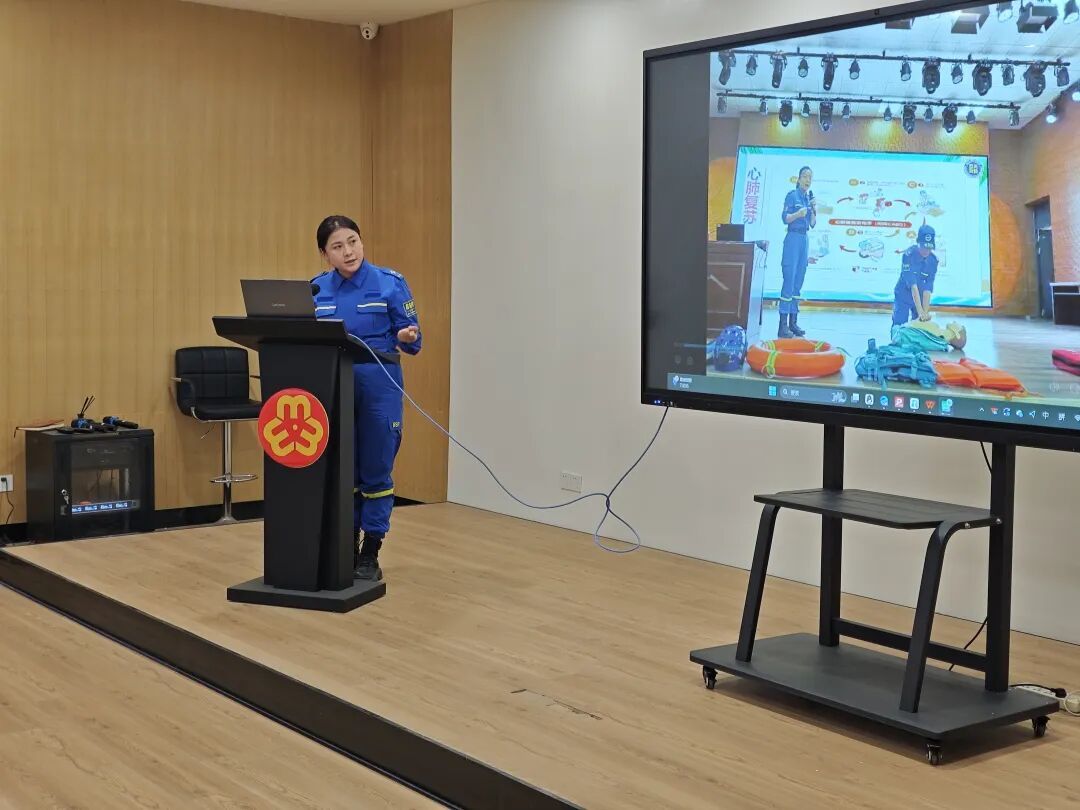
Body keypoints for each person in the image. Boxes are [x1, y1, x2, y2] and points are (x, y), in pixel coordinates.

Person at [310, 215, 421, 581]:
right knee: (344, 469)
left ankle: (371, 550)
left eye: (353, 242)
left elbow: (415, 339)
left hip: (378, 386)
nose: (348, 251)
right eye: (337, 246)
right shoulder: (315, 290)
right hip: (333, 386)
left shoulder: (390, 283)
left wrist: (406, 337)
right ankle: (346, 542)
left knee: (375, 468)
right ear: (325, 254)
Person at [778, 166, 816, 338]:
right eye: (805, 176)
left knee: (798, 281)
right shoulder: (792, 196)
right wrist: (797, 214)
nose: (808, 180)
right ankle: (782, 325)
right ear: (799, 179)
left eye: (810, 177)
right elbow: (785, 218)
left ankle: (793, 323)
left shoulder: (808, 198)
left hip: (804, 239)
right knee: (789, 280)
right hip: (792, 238)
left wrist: (813, 209)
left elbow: (813, 223)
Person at [892, 224, 939, 326]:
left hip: (920, 295)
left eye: (929, 248)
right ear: (918, 243)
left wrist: (924, 313)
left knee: (920, 325)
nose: (926, 251)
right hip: (903, 294)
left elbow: (927, 289)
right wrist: (920, 312)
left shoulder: (933, 260)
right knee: (899, 324)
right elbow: (913, 286)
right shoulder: (908, 255)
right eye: (924, 247)